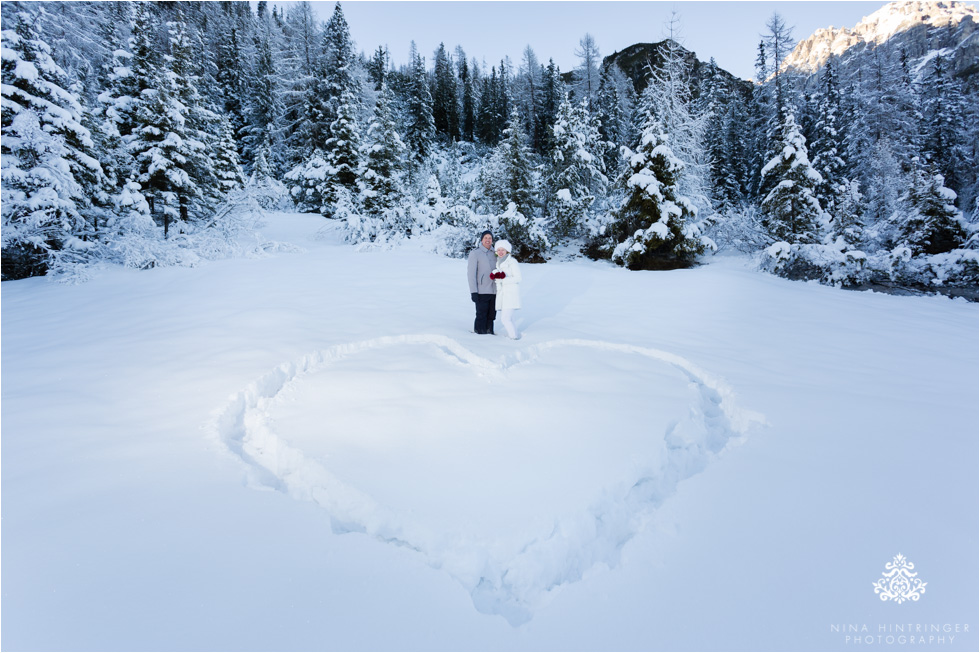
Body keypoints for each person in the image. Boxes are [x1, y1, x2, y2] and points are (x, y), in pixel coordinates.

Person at [467, 230, 497, 334]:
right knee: (481, 314)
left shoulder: (496, 253)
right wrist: (473, 291)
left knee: (492, 315)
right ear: (482, 240)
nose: (488, 240)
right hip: (482, 291)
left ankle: (490, 333)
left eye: (490, 238)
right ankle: (479, 334)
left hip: (494, 290)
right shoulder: (475, 253)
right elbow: (471, 274)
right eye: (486, 238)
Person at [491, 240, 522, 339]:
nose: (500, 252)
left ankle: (513, 338)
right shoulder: (499, 262)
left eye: (502, 250)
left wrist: (503, 280)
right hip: (503, 294)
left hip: (510, 294)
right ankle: (515, 334)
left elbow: (518, 278)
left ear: (507, 251)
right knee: (510, 318)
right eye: (498, 250)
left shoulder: (512, 262)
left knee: (505, 318)